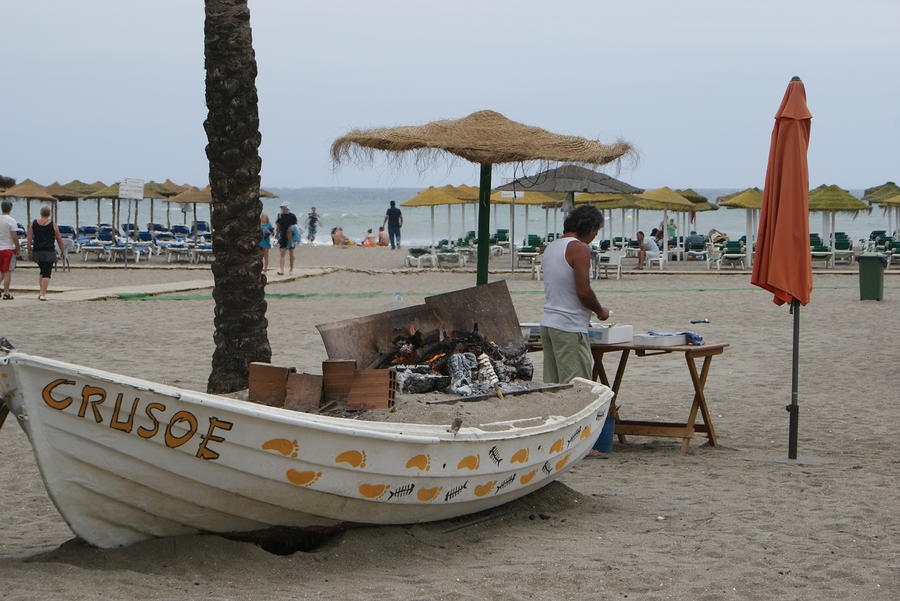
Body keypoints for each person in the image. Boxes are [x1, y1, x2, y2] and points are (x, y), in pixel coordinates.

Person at [540, 205, 609, 385]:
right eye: (595, 232)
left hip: (549, 323)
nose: (594, 236)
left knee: (553, 386)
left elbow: (563, 287)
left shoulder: (551, 247)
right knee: (576, 388)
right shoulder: (579, 248)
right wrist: (600, 310)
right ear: (590, 228)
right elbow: (583, 291)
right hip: (568, 326)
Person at [27, 205, 65, 301]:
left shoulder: (33, 224)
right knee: (47, 273)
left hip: (37, 251)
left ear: (41, 213)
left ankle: (41, 291)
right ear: (50, 214)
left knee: (42, 271)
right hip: (48, 251)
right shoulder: (53, 225)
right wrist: (62, 250)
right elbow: (59, 239)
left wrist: (29, 251)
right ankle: (42, 294)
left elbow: (29, 239)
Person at [0, 200, 19, 300]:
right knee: (7, 271)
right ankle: (6, 292)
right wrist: (17, 247)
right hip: (8, 249)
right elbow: (14, 236)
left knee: (2, 271)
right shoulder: (11, 220)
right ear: (10, 208)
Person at [275, 202, 298, 275]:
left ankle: (291, 269)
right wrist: (277, 234)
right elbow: (278, 225)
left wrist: (295, 236)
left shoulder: (292, 216)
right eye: (281, 207)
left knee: (291, 253)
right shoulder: (280, 216)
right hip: (282, 236)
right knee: (282, 253)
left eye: (283, 207)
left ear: (287, 208)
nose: (282, 209)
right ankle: (282, 270)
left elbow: (295, 227)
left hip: (290, 237)